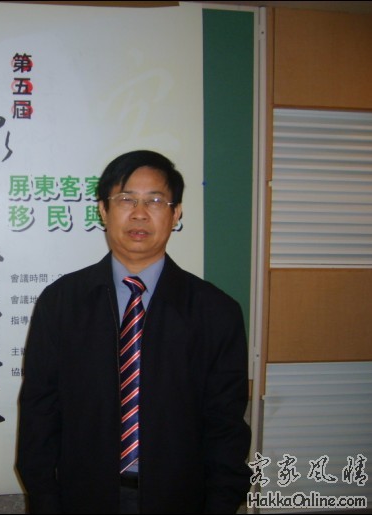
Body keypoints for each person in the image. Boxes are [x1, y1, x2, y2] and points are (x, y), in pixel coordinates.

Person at [15, 150, 251, 514]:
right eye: (126, 199)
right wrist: (45, 501)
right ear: (103, 210)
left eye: (155, 201)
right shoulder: (61, 303)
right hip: (82, 497)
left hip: (181, 498)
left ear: (176, 213)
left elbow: (226, 425)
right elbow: (39, 413)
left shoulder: (216, 312)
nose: (140, 213)